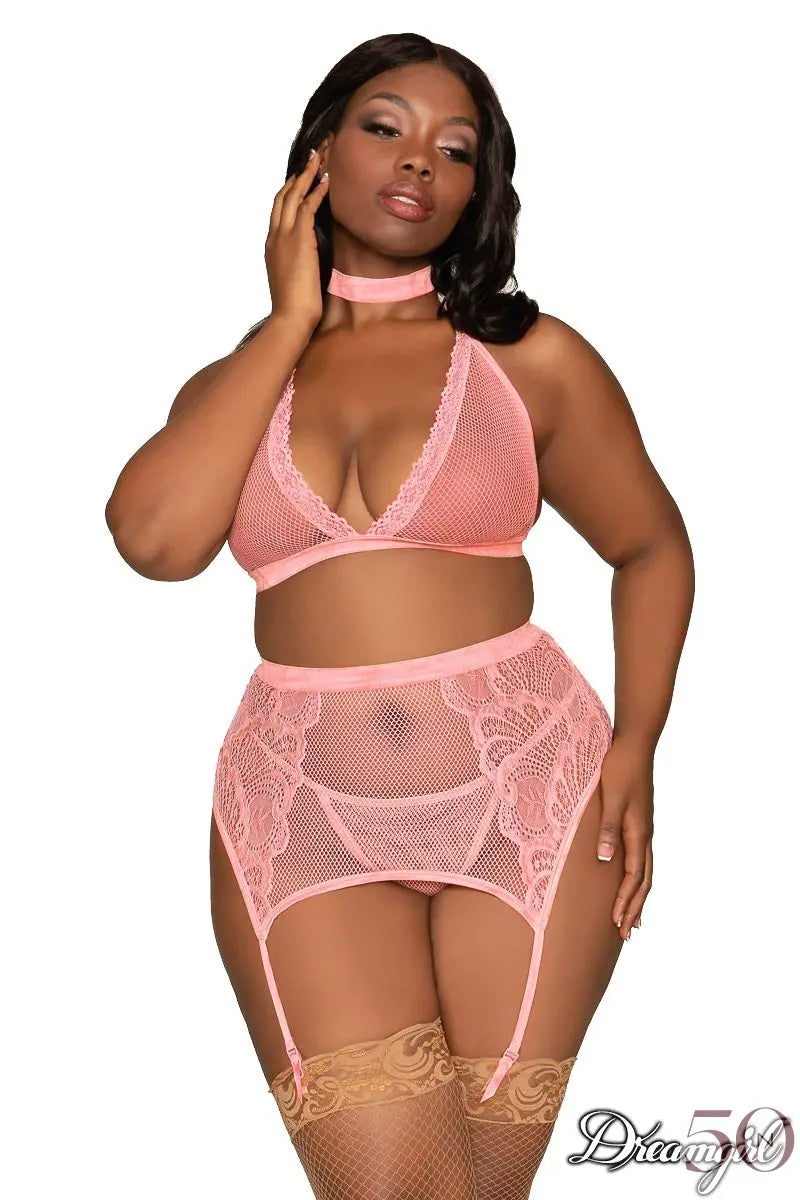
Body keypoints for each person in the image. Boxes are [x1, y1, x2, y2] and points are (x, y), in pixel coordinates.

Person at [105, 32, 694, 1200]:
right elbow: (154, 543)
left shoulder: (530, 360)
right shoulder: (240, 381)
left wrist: (637, 742)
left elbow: (649, 546)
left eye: (454, 149)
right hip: (300, 808)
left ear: (478, 191)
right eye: (384, 127)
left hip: (528, 791)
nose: (418, 160)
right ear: (319, 154)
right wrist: (287, 322)